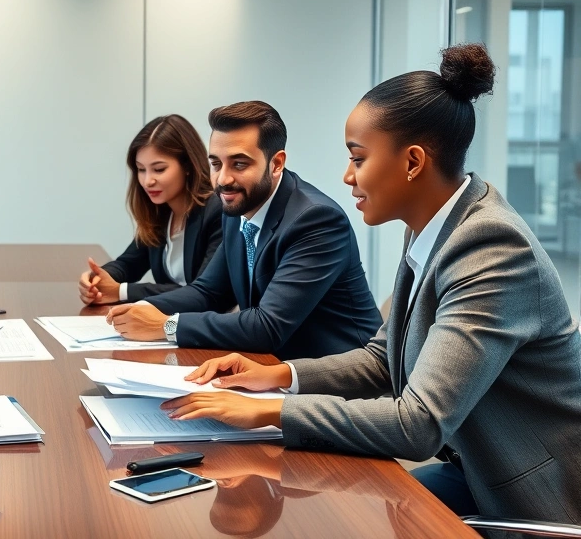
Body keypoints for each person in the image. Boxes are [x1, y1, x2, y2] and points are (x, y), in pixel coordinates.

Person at [162, 44, 581, 524]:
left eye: (357, 159)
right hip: (477, 469)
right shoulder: (432, 226)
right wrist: (277, 377)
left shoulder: (491, 248)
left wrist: (268, 412)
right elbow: (384, 357)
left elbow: (418, 424)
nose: (346, 176)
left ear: (413, 162)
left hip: (537, 497)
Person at [107, 101, 381, 360]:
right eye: (216, 164)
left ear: (276, 163)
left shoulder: (315, 220)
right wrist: (141, 311)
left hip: (340, 382)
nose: (223, 179)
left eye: (239, 164)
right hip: (272, 368)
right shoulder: (238, 206)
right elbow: (208, 292)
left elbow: (267, 326)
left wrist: (167, 325)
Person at [78, 114, 222, 304]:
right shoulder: (160, 212)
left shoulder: (217, 211)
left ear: (188, 165)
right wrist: (97, 279)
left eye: (159, 169)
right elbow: (128, 264)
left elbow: (200, 291)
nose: (148, 181)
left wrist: (122, 291)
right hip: (165, 322)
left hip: (202, 326)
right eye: (141, 169)